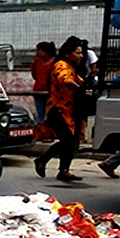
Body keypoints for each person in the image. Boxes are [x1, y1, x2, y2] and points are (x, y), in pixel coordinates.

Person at [34, 38, 86, 182]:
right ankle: (42, 160)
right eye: (78, 53)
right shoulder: (61, 65)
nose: (81, 56)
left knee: (71, 141)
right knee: (67, 139)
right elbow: (64, 80)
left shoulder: (71, 67)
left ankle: (64, 170)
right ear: (68, 54)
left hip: (70, 110)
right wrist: (80, 87)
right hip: (58, 110)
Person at [31, 41, 56, 122]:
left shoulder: (56, 62)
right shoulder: (36, 62)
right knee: (40, 115)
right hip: (38, 92)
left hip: (52, 93)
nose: (37, 53)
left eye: (38, 50)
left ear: (45, 52)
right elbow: (34, 75)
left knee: (51, 115)